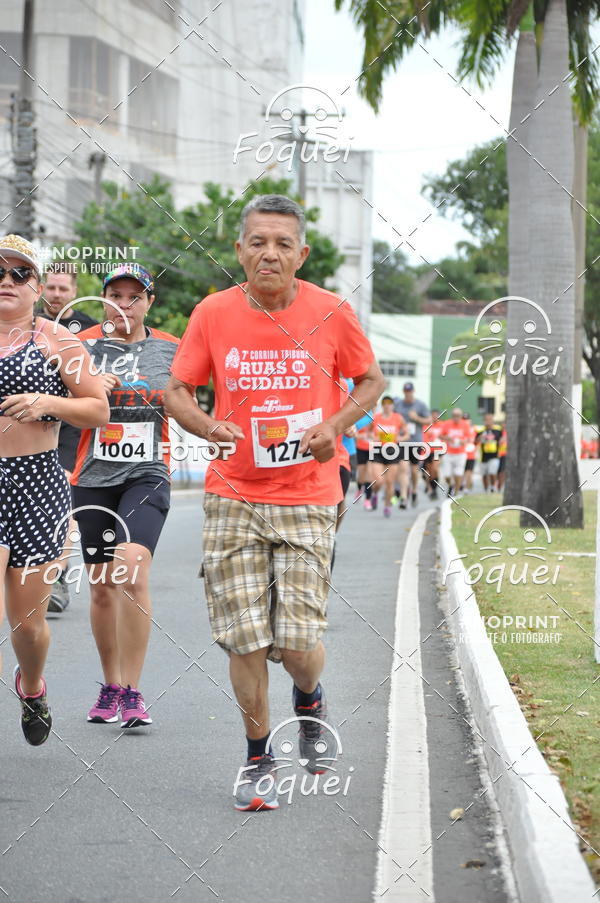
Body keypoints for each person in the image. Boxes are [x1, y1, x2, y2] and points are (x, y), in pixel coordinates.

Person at [166, 194, 384, 810]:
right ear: (239, 250)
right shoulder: (213, 312)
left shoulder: (330, 311)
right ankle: (258, 755)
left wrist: (334, 426)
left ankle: (310, 700)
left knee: (295, 644)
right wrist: (208, 426)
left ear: (301, 254)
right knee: (243, 638)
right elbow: (178, 390)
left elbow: (370, 380)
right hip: (232, 493)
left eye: (282, 243)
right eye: (257, 241)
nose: (269, 253)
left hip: (309, 495)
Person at [0, 234, 108, 745]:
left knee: (27, 626)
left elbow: (96, 408)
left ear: (38, 287)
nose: (6, 281)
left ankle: (33, 685)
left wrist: (48, 401)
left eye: (19, 274)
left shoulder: (56, 340)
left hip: (38, 482)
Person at [70, 263, 179, 729]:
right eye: (116, 295)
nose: (125, 305)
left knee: (131, 569)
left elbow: (192, 401)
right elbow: (64, 416)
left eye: (135, 297)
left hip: (147, 472)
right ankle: (111, 683)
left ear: (150, 301)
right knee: (100, 588)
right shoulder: (81, 345)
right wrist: (92, 392)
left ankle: (133, 692)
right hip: (93, 477)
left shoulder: (172, 348)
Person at [41, 263, 99, 614]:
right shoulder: (25, 321)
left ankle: (58, 572)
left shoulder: (90, 328)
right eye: (51, 288)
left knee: (63, 497)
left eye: (63, 288)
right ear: (42, 288)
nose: (57, 294)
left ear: (74, 290)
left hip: (71, 425)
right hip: (29, 423)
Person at [369, 395, 410, 516]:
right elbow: (369, 432)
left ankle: (387, 506)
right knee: (379, 481)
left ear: (392, 406)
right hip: (378, 450)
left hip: (393, 451)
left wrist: (401, 438)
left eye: (389, 404)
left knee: (390, 482)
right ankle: (375, 494)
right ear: (382, 406)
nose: (387, 406)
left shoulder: (398, 418)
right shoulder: (376, 418)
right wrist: (374, 437)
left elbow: (407, 433)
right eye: (385, 404)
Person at [393, 381, 430, 507]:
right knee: (403, 468)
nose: (408, 394)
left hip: (416, 442)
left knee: (414, 471)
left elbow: (429, 420)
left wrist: (416, 418)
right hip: (402, 442)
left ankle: (414, 490)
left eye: (410, 391)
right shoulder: (398, 405)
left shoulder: (420, 405)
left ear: (413, 391)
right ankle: (404, 497)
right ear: (404, 392)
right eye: (406, 392)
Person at [439, 407, 472, 496]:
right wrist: (447, 438)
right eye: (454, 415)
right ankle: (451, 485)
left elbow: (469, 438)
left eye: (458, 415)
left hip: (460, 453)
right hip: (449, 452)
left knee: (458, 473)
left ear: (461, 416)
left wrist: (464, 441)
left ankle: (456, 493)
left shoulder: (465, 425)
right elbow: (440, 435)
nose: (456, 417)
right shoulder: (447, 424)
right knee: (446, 475)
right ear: (452, 416)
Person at [475, 413, 503, 492]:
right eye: (486, 420)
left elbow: (503, 438)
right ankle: (486, 490)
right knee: (484, 475)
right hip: (483, 456)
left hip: (494, 455)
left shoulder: (498, 429)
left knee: (492, 472)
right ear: (484, 421)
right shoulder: (480, 430)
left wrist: (501, 442)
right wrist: (481, 437)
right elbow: (475, 442)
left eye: (490, 419)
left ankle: (493, 487)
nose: (488, 421)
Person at [422, 408, 444, 499]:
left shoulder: (442, 425)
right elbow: (423, 438)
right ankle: (431, 487)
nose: (435, 417)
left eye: (436, 415)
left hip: (438, 451)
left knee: (435, 469)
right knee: (429, 472)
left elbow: (446, 436)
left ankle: (434, 489)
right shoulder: (426, 425)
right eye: (433, 415)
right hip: (427, 451)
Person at [355, 410, 375, 509]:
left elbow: (386, 436)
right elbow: (353, 433)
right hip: (361, 448)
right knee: (361, 475)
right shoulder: (359, 416)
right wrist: (360, 436)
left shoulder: (378, 418)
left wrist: (376, 437)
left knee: (369, 474)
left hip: (372, 449)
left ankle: (368, 499)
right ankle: (359, 489)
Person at [462, 412, 477, 493]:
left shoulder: (474, 429)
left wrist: (476, 450)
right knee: (464, 471)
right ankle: (466, 484)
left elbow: (477, 440)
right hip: (461, 453)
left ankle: (466, 487)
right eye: (464, 419)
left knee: (468, 471)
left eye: (466, 419)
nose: (465, 421)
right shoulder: (460, 429)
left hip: (471, 453)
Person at [497, 424, 508, 491]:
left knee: (502, 471)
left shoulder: (507, 433)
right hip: (498, 454)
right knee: (498, 471)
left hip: (504, 454)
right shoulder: (499, 432)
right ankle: (498, 486)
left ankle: (500, 487)